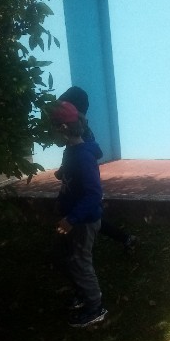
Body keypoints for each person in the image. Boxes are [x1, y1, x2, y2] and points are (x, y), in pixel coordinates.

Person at [57, 87, 137, 254]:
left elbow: (84, 157)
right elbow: (72, 154)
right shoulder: (79, 127)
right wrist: (64, 170)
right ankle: (125, 238)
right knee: (91, 217)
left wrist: (69, 170)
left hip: (82, 183)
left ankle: (125, 238)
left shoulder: (81, 134)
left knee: (90, 216)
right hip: (76, 182)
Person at [49, 100, 108, 328]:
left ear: (63, 127)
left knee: (81, 262)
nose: (51, 134)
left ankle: (95, 307)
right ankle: (82, 294)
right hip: (72, 217)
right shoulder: (72, 150)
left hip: (83, 221)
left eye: (53, 128)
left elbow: (94, 195)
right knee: (66, 258)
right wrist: (63, 172)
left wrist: (71, 219)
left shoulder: (83, 156)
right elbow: (72, 173)